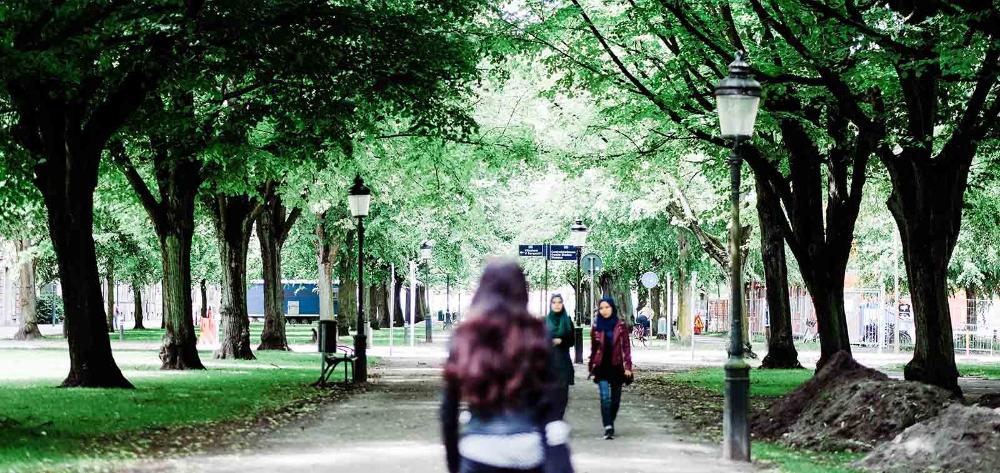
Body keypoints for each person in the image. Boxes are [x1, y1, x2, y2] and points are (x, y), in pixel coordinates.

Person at [441, 260, 571, 473]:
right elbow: (552, 400)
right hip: (526, 448)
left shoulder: (465, 337)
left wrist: (454, 464)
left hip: (478, 449)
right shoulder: (537, 335)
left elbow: (448, 410)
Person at [588, 296, 633, 440]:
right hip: (601, 367)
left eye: (607, 307)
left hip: (616, 366)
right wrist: (591, 366)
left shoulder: (620, 326)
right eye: (601, 308)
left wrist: (628, 366)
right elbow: (594, 349)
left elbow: (626, 347)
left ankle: (610, 420)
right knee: (604, 398)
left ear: (612, 308)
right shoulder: (596, 326)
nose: (604, 310)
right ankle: (608, 427)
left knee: (615, 400)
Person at [546, 293, 575, 419]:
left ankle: (559, 417)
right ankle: (551, 418)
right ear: (550, 305)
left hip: (563, 361)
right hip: (548, 363)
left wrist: (561, 341)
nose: (557, 305)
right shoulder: (545, 322)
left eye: (559, 302)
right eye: (554, 302)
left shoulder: (567, 321)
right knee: (550, 392)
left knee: (563, 393)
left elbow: (572, 341)